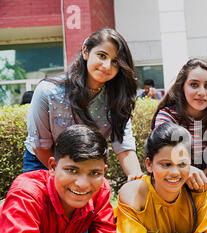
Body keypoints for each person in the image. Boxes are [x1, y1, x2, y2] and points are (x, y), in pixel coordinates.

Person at [0, 125, 159, 233]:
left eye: (94, 173)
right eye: (72, 170)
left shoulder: (101, 189)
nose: (83, 184)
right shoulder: (27, 193)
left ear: (104, 171)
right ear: (53, 167)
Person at [23, 28, 143, 181]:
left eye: (115, 62)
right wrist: (71, 176)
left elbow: (124, 146)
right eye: (102, 55)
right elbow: (41, 147)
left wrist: (136, 177)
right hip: (43, 161)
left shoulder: (117, 98)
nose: (107, 66)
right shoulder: (48, 91)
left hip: (88, 167)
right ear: (86, 52)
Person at [115, 122, 207, 233]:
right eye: (166, 164)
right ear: (149, 164)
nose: (174, 173)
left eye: (182, 164)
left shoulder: (197, 188)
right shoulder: (134, 194)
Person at [151, 58, 207, 184]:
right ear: (182, 87)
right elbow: (165, 161)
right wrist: (188, 171)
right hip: (175, 180)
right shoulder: (167, 116)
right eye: (194, 85)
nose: (202, 92)